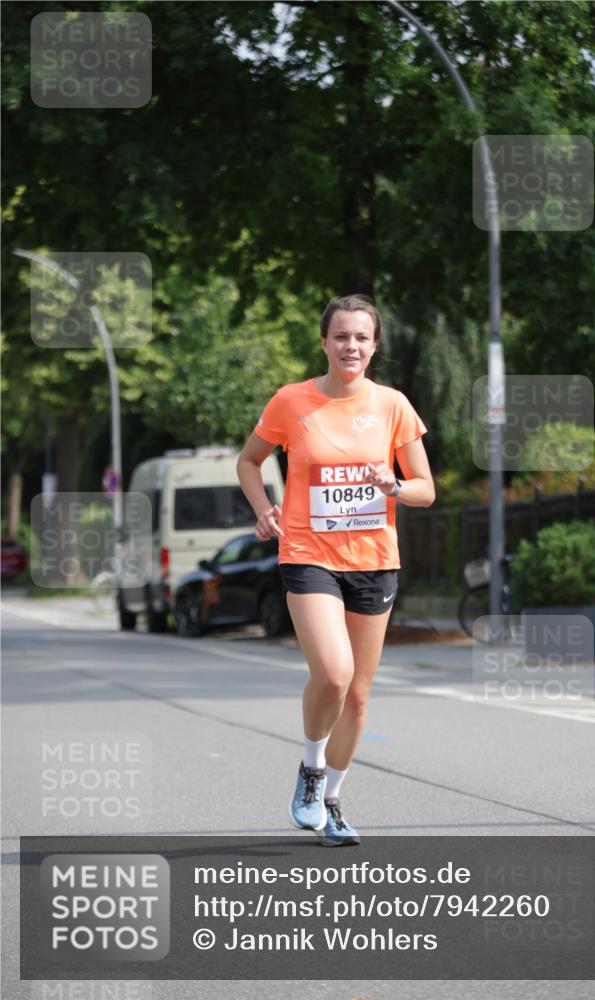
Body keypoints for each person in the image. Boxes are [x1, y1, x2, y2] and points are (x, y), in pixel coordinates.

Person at [236, 294, 435, 846]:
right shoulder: (291, 400)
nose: (351, 346)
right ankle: (310, 769)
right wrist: (263, 509)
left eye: (362, 338)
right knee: (333, 673)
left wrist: (394, 485)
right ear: (323, 342)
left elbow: (425, 488)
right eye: (341, 336)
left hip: (374, 560)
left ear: (375, 346)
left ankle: (333, 801)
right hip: (308, 553)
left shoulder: (393, 404)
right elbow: (249, 460)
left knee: (359, 695)